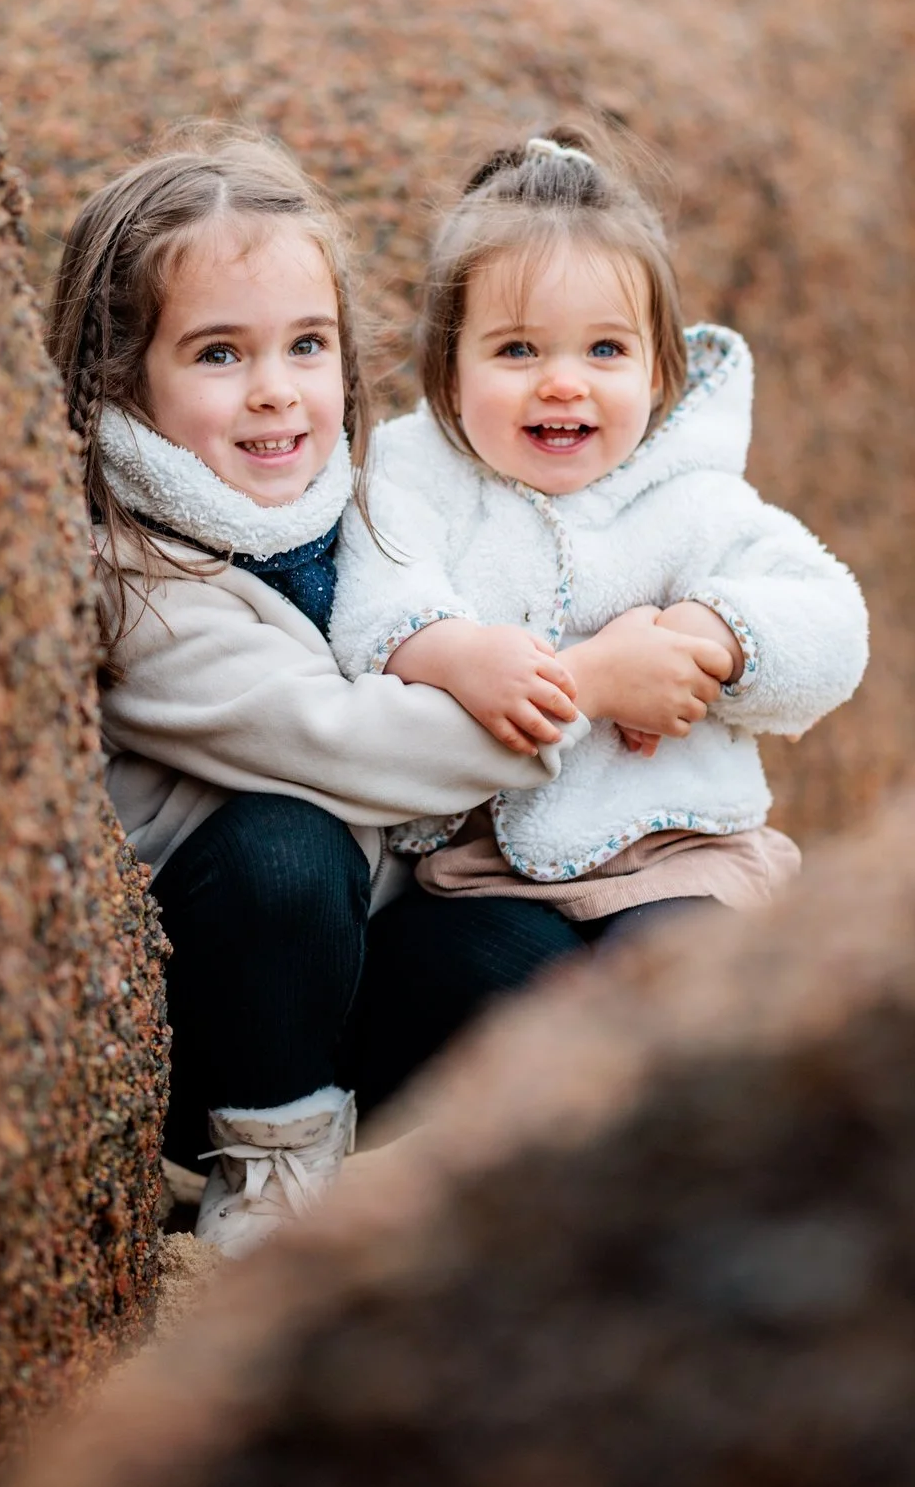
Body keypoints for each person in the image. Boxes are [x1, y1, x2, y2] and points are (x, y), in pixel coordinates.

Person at [43, 126, 724, 1257]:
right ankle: (263, 1164)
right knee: (283, 844)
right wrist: (595, 681)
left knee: (525, 950)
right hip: (215, 1004)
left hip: (358, 962)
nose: (276, 395)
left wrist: (699, 630)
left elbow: (458, 615)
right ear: (122, 373)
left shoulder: (356, 498)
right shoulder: (143, 586)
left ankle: (382, 1148)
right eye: (218, 354)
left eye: (306, 345)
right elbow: (356, 742)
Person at [331, 125, 869, 955]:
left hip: (685, 854)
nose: (563, 380)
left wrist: (710, 634)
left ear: (657, 370)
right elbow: (374, 605)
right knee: (459, 983)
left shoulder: (692, 494)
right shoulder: (414, 476)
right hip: (480, 870)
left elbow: (833, 622)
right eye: (516, 349)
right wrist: (448, 651)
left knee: (671, 982)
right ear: (449, 370)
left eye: (606, 348)